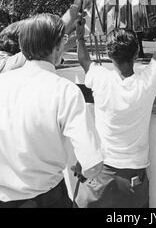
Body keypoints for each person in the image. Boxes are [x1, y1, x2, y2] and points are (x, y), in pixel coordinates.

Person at [74, 4, 156, 208]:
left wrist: (80, 37)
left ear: (109, 54)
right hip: (133, 176)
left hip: (99, 172)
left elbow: (83, 59)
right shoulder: (147, 82)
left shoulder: (99, 78)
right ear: (136, 53)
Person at [0, 13, 103, 208]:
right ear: (57, 47)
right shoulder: (65, 91)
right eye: (63, 41)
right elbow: (92, 164)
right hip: (46, 199)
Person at [0, 0, 82, 74]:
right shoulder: (5, 63)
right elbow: (52, 36)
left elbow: (56, 44)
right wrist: (76, 5)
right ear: (22, 42)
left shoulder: (14, 62)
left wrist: (79, 35)